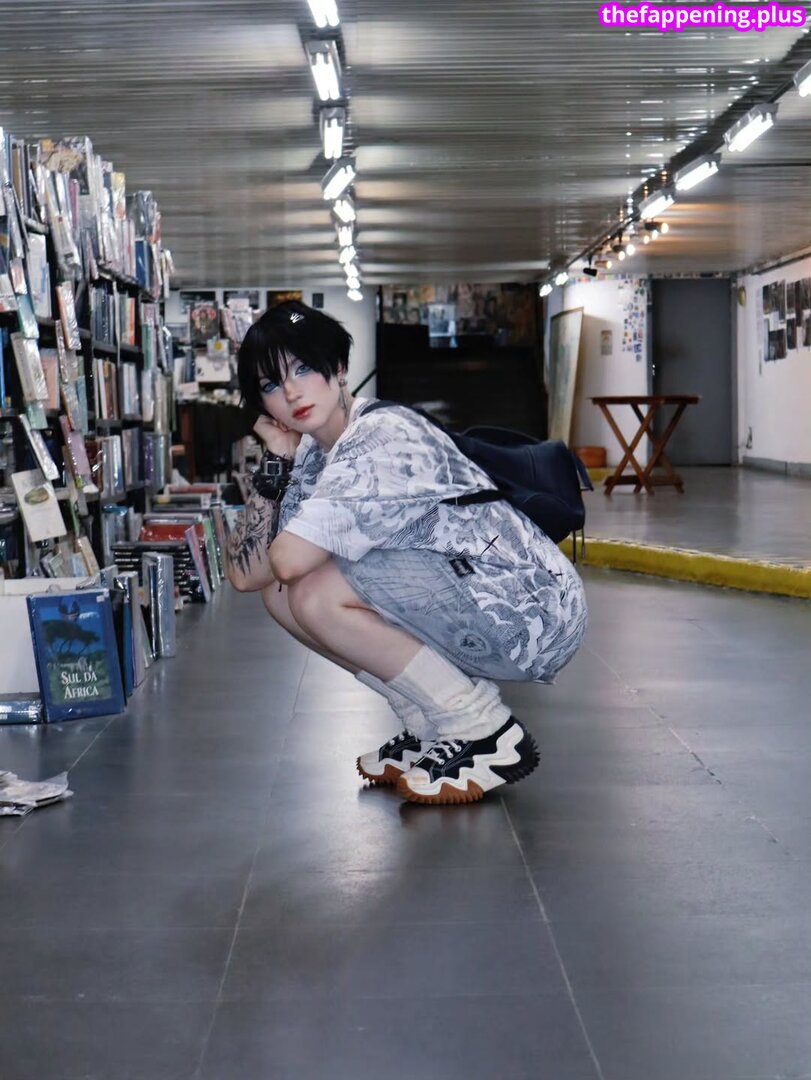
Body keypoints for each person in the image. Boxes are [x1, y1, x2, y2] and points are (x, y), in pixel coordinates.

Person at [226, 300, 587, 805]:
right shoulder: (310, 451)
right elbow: (251, 577)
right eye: (271, 384)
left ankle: (482, 729)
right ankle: (431, 724)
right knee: (282, 596)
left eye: (303, 368)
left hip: (531, 608)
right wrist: (276, 458)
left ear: (339, 367)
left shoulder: (380, 436)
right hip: (465, 589)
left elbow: (285, 561)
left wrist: (278, 470)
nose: (290, 392)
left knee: (313, 592)